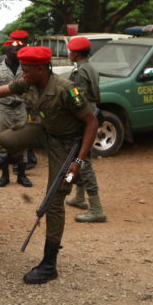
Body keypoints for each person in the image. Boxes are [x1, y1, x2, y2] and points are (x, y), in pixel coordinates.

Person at [0, 46, 97, 284]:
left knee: (54, 200)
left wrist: (78, 161)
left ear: (42, 69)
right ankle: (13, 159)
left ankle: (49, 264)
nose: (22, 74)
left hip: (68, 146)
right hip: (45, 132)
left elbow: (92, 123)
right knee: (7, 139)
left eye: (27, 70)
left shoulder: (67, 90)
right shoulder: (28, 82)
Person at [64, 37, 106, 222]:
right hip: (91, 113)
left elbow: (78, 97)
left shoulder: (80, 72)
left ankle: (96, 209)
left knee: (83, 161)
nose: (69, 53)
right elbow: (96, 95)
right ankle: (80, 197)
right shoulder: (91, 67)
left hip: (83, 118)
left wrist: (68, 95)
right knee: (79, 155)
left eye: (70, 51)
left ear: (77, 53)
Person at [0, 40, 32, 188]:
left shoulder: (25, 68)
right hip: (4, 108)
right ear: (7, 51)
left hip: (21, 107)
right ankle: (4, 176)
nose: (18, 52)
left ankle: (22, 175)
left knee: (22, 141)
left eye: (19, 49)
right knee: (3, 142)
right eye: (15, 49)